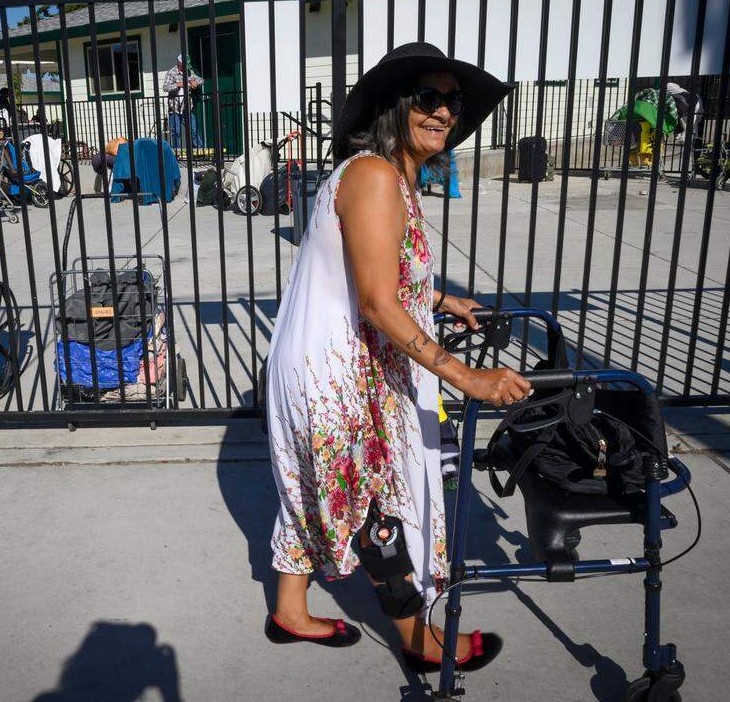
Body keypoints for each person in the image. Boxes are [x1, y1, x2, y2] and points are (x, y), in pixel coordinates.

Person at [263, 42, 529, 672]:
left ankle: (289, 611)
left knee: (313, 485)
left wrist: (441, 297)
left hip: (328, 360)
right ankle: (417, 638)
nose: (444, 112)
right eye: (428, 98)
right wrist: (469, 377)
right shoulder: (376, 176)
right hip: (339, 370)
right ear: (395, 107)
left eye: (453, 101)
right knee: (376, 497)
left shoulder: (387, 174)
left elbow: (375, 272)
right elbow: (381, 305)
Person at [161, 55, 204, 151]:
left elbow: (201, 80)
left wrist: (196, 83)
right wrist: (178, 84)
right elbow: (165, 87)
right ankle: (177, 152)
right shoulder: (171, 73)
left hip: (187, 106)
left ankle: (200, 150)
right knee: (176, 132)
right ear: (180, 63)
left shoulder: (190, 72)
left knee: (194, 129)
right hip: (174, 107)